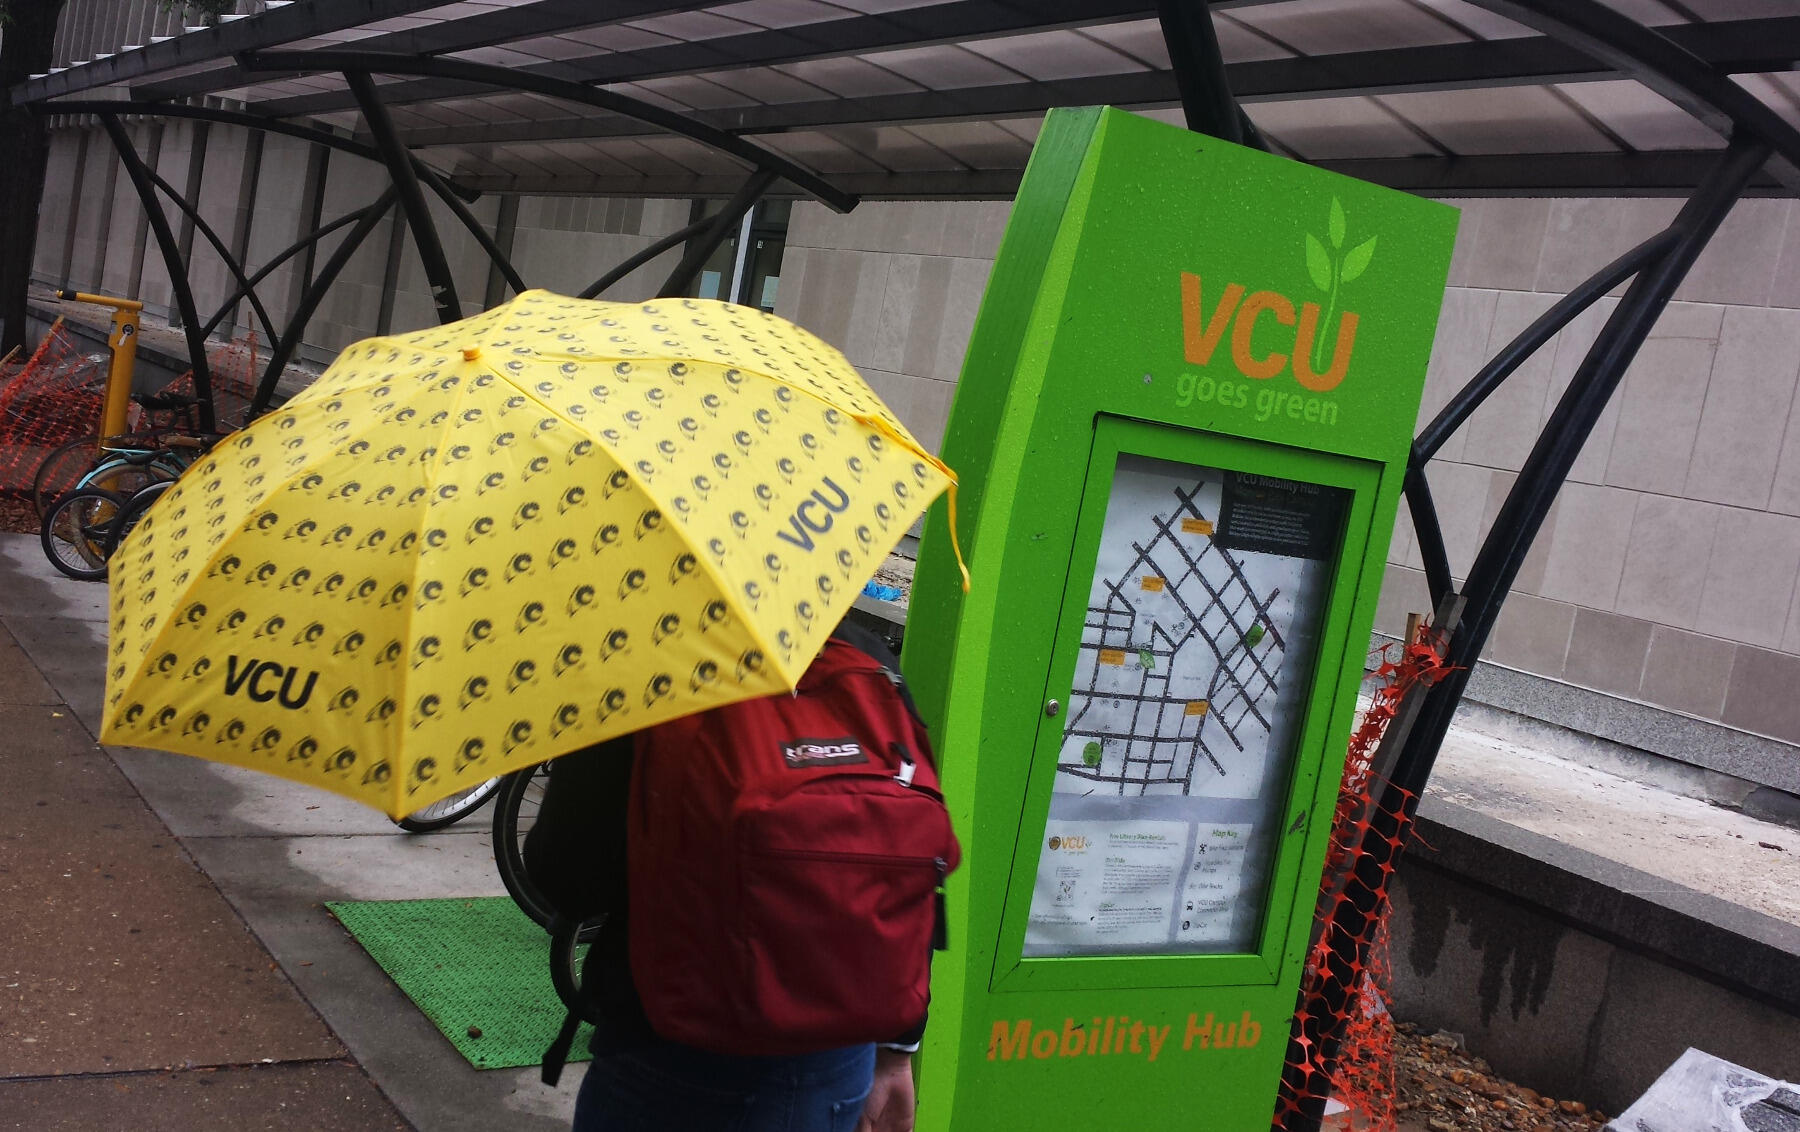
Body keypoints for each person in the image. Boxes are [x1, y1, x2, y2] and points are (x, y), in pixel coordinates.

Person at [524, 617, 927, 1132]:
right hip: (836, 1061)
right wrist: (896, 1052)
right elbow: (907, 866)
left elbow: (566, 874)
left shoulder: (645, 665)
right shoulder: (868, 658)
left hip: (671, 1058)